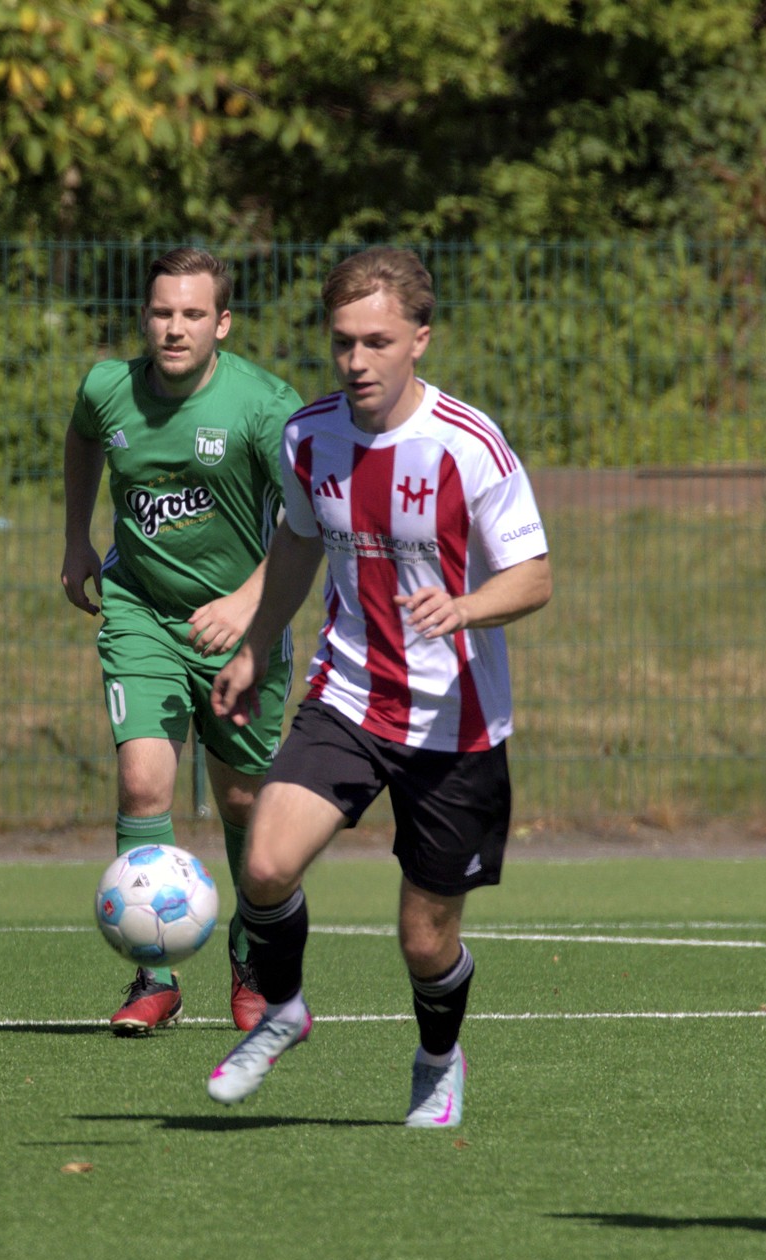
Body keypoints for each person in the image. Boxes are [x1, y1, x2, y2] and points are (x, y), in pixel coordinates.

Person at [203, 247, 553, 1129]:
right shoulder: (307, 435)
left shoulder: (468, 445)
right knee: (267, 861)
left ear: (419, 341)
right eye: (343, 343)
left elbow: (536, 576)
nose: (357, 361)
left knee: (424, 942)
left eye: (377, 341)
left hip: (456, 722)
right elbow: (295, 542)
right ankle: (282, 1009)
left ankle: (438, 1059)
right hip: (349, 696)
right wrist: (253, 647)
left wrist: (466, 605)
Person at [63, 248, 305, 1036]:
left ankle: (249, 946)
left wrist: (247, 605)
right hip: (140, 611)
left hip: (244, 624)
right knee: (143, 784)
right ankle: (154, 974)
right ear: (145, 315)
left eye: (193, 314)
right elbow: (82, 439)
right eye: (163, 311)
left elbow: (312, 521)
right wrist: (76, 538)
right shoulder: (108, 387)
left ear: (222, 323)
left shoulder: (265, 407)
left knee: (243, 801)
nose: (175, 327)